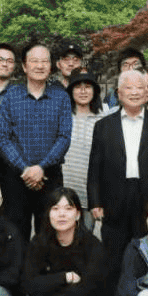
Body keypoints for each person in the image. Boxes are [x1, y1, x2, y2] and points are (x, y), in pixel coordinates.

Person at [89, 69, 148, 296]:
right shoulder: (104, 126)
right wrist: (95, 201)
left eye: (140, 87)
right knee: (114, 258)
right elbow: (95, 167)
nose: (135, 92)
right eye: (128, 88)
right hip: (114, 198)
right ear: (118, 93)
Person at [0, 41, 72, 240]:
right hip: (17, 176)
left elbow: (64, 138)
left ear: (50, 65)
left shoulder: (61, 97)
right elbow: (4, 138)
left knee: (50, 234)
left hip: (50, 176)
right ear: (24, 66)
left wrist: (41, 167)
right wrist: (25, 169)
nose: (40, 66)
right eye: (34, 61)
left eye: (44, 61)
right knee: (15, 235)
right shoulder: (11, 96)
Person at [61, 70, 104, 221]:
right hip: (63, 194)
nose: (83, 91)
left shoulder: (104, 120)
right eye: (78, 87)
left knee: (86, 234)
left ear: (95, 90)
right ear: (71, 91)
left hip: (90, 197)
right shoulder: (62, 117)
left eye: (88, 87)